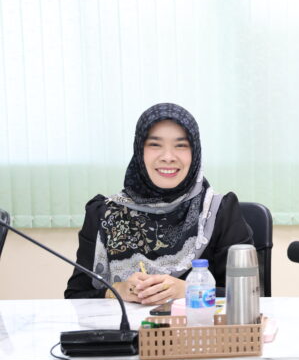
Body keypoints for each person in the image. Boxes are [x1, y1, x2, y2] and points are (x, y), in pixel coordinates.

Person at [65, 103, 253, 303]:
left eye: (181, 145)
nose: (168, 157)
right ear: (139, 150)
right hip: (124, 323)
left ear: (195, 152)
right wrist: (116, 290)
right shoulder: (104, 214)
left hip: (198, 323)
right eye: (155, 145)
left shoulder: (218, 211)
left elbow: (252, 293)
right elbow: (76, 296)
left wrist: (190, 290)